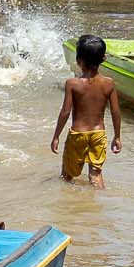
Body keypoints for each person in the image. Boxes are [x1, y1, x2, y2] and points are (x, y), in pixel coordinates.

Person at [51, 34, 124, 190]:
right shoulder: (109, 83)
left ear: (78, 60)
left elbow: (65, 112)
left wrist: (56, 136)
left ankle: (69, 203)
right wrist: (117, 136)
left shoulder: (72, 84)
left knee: (67, 175)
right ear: (104, 58)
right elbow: (116, 113)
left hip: (78, 134)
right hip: (99, 134)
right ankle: (98, 203)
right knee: (96, 174)